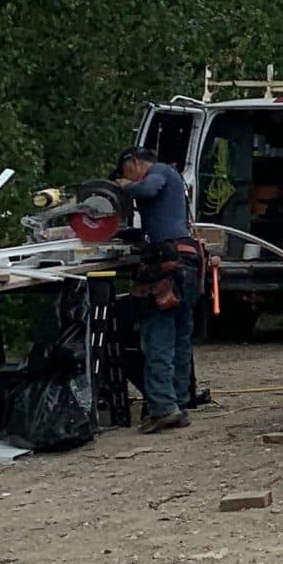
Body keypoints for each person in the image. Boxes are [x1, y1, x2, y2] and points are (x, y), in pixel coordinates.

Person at [115, 147, 200, 432]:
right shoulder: (173, 177)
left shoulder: (160, 171)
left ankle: (164, 407)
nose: (125, 178)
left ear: (134, 163)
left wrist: (126, 187)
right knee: (179, 335)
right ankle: (178, 400)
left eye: (125, 172)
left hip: (169, 261)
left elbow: (148, 190)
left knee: (160, 334)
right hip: (184, 261)